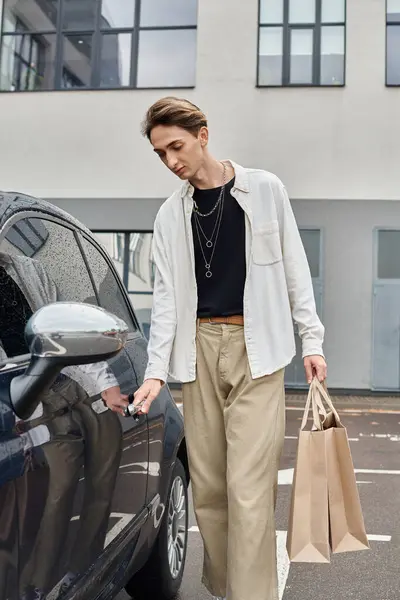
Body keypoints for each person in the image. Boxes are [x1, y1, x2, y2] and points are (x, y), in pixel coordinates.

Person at [132, 97, 327, 600]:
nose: (172, 161)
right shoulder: (169, 214)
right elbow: (168, 301)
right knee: (211, 492)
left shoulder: (264, 189)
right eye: (160, 153)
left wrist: (313, 340)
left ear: (202, 134)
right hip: (196, 354)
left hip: (257, 350)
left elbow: (294, 270)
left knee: (248, 488)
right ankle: (227, 586)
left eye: (176, 145)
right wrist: (155, 372)